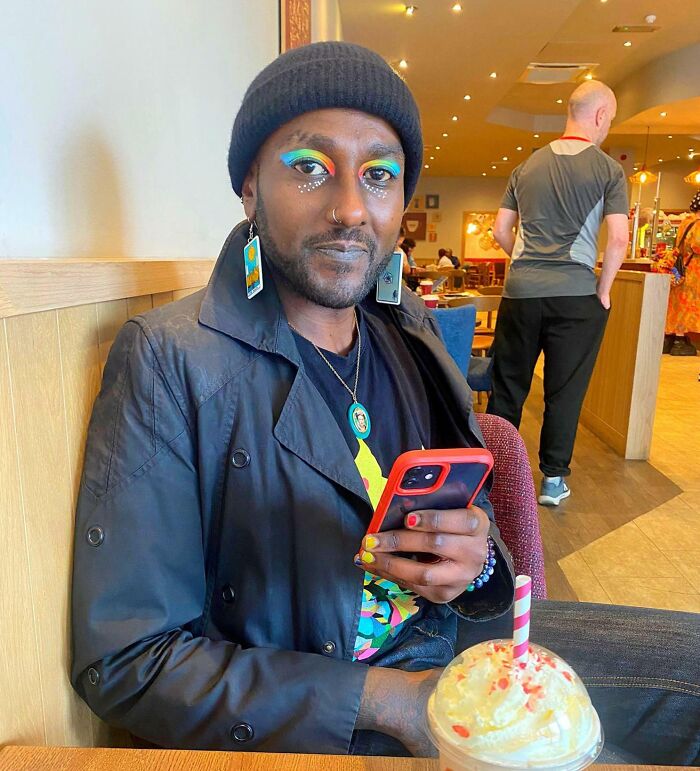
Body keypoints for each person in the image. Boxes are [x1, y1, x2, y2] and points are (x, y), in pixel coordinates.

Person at [70, 44, 699, 764]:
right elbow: (125, 660)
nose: (349, 208)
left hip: (459, 643)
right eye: (309, 167)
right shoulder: (169, 357)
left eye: (379, 175)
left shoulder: (407, 330)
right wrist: (395, 701)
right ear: (249, 188)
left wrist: (476, 566)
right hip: (321, 708)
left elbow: (475, 520)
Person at [488, 80, 630, 507]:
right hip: (576, 295)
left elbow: (500, 230)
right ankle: (552, 480)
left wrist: (526, 266)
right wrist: (602, 290)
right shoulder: (608, 170)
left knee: (507, 386)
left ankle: (492, 477)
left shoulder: (526, 166)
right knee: (564, 391)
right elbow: (619, 239)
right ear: (601, 115)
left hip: (521, 293)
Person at [663, 191, 700, 356]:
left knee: (677, 304)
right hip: (693, 271)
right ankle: (680, 340)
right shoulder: (698, 224)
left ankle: (670, 339)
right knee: (688, 306)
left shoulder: (686, 221)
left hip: (680, 268)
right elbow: (697, 245)